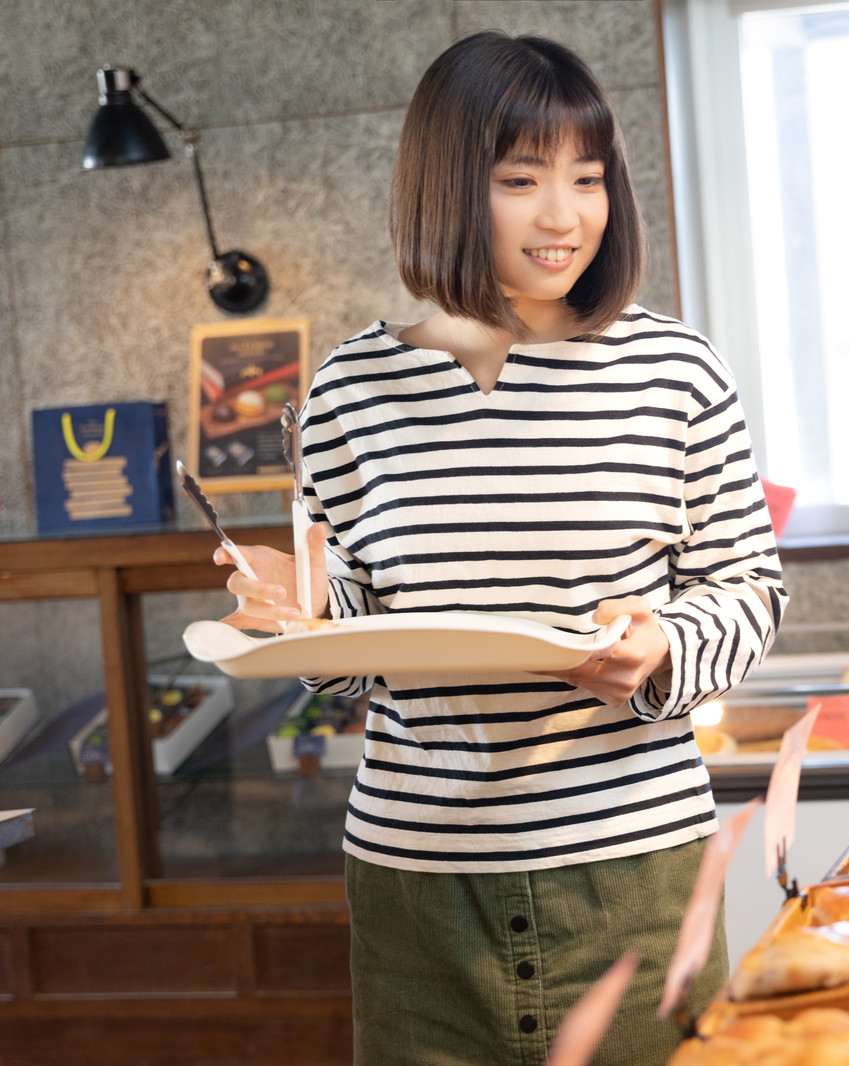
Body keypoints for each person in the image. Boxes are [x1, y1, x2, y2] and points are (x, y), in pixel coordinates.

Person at [214, 31, 785, 1065]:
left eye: (588, 177)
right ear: (444, 187)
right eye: (521, 178)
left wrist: (662, 644)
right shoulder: (351, 392)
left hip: (636, 870)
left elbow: (749, 590)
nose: (563, 214)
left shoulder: (675, 369)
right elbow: (358, 657)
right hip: (419, 884)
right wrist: (302, 610)